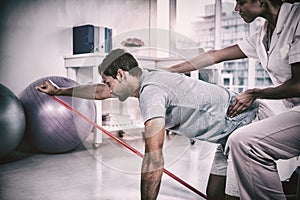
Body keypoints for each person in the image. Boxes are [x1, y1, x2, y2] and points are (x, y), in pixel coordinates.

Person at [36, 48, 272, 200]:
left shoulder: (151, 93)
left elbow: (154, 158)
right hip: (227, 135)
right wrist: (59, 91)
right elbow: (100, 92)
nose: (107, 89)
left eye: (109, 82)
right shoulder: (144, 76)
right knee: (215, 195)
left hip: (246, 128)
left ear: (121, 74)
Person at [166, 0, 300, 199]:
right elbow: (215, 55)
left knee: (244, 141)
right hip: (293, 110)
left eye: (241, 2)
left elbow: (298, 84)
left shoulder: (297, 19)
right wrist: (166, 72)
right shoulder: (262, 36)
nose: (236, 8)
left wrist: (255, 93)